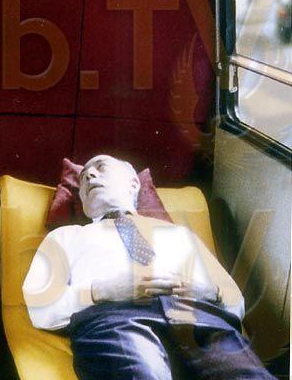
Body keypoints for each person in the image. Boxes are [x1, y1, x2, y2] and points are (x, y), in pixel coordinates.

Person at [22, 154, 275, 379]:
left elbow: (234, 300)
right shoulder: (65, 237)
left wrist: (210, 292)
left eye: (101, 167)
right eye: (83, 177)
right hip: (115, 319)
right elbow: (41, 306)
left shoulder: (181, 234)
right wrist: (101, 292)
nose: (89, 176)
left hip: (200, 317)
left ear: (133, 183)